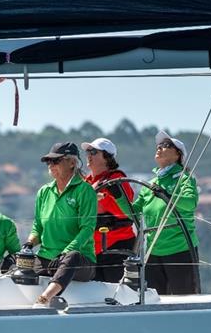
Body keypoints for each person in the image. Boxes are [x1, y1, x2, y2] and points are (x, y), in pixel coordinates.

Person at [26, 142, 97, 307]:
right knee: (19, 263)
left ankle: (44, 299)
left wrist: (65, 253)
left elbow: (87, 229)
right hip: (47, 258)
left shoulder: (85, 191)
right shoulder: (44, 191)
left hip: (79, 261)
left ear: (72, 163)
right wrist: (29, 244)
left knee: (71, 257)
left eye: (56, 161)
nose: (51, 165)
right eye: (49, 162)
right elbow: (38, 226)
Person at [132, 130, 200, 295]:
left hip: (180, 250)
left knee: (184, 303)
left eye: (166, 145)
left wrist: (167, 195)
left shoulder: (184, 178)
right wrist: (117, 197)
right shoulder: (151, 184)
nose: (160, 148)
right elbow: (132, 212)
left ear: (178, 155)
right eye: (159, 145)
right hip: (153, 252)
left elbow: (190, 203)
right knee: (153, 302)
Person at [82, 137, 136, 282]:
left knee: (116, 293)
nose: (88, 155)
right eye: (87, 151)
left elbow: (127, 213)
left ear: (107, 157)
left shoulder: (117, 179)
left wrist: (101, 198)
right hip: (91, 248)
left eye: (93, 151)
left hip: (116, 246)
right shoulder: (86, 181)